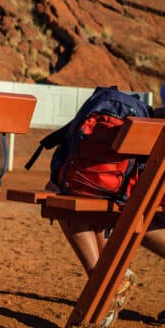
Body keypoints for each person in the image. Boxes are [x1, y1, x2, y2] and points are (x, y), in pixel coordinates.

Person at [53, 94, 165, 328]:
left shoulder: (150, 122)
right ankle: (108, 280)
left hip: (145, 204)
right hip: (153, 203)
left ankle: (105, 282)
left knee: (65, 199)